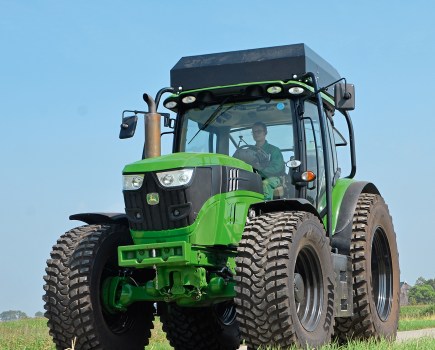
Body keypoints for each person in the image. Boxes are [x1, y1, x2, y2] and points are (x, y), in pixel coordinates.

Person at [251, 122, 285, 200]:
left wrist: (259, 172)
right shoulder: (249, 150)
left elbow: (277, 167)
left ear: (265, 132)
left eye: (259, 131)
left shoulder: (274, 150)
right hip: (252, 177)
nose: (256, 134)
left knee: (265, 183)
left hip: (271, 177)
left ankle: (264, 207)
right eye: (253, 132)